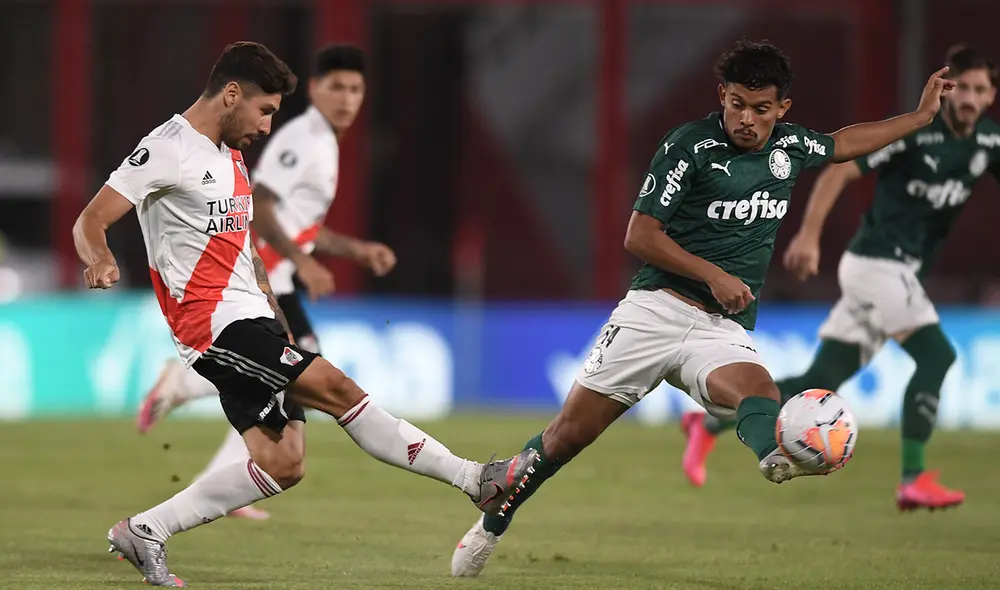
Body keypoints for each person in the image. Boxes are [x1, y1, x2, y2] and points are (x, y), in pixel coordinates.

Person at [449, 38, 956, 578]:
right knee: (565, 438)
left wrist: (921, 117)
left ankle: (774, 455)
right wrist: (713, 274)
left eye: (761, 108)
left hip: (718, 328)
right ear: (722, 97)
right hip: (653, 313)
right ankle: (493, 520)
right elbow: (640, 235)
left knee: (761, 392)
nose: (747, 119)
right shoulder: (689, 146)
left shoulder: (789, 147)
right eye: (737, 104)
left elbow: (844, 143)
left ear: (782, 108)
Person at [73, 41, 537, 588]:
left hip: (255, 320)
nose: (267, 126)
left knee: (284, 462)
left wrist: (280, 322)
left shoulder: (229, 155)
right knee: (338, 389)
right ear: (231, 94)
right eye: (265, 110)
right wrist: (100, 259)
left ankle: (144, 530)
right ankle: (475, 480)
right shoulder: (167, 147)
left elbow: (245, 250)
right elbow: (91, 219)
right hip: (213, 329)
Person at [680, 44, 997, 511]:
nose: (969, 98)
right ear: (948, 92)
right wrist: (809, 235)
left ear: (991, 96)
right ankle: (913, 478)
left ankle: (709, 424)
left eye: (979, 90)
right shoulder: (916, 136)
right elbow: (838, 171)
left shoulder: (988, 141)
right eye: (962, 88)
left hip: (900, 273)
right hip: (877, 264)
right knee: (936, 356)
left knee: (821, 377)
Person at [135, 44, 395, 521]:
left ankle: (217, 452)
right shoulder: (303, 140)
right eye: (336, 87)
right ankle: (186, 389)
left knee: (292, 376)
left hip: (278, 276)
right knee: (304, 372)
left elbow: (303, 226)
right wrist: (301, 262)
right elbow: (266, 207)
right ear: (315, 89)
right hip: (256, 280)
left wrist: (356, 251)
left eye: (356, 90)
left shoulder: (325, 144)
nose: (346, 99)